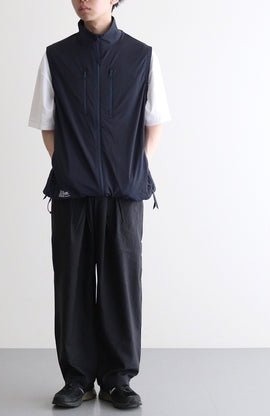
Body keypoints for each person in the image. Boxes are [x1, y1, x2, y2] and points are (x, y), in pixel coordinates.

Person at [28, 0, 171, 409]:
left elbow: (155, 120)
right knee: (71, 284)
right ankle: (77, 380)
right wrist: (67, 167)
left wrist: (135, 168)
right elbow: (47, 123)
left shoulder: (141, 56)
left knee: (121, 285)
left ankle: (117, 380)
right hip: (72, 193)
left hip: (124, 194)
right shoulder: (57, 57)